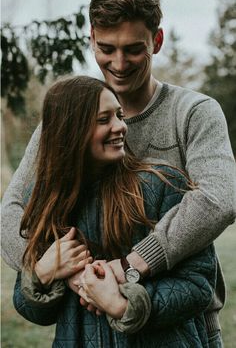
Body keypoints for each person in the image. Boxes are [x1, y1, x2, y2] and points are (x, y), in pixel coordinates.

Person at [1, 0, 236, 345]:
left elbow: (219, 198)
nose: (119, 62)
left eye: (133, 49)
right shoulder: (65, 121)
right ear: (91, 38)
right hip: (85, 326)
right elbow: (13, 210)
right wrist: (56, 269)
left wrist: (130, 268)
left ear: (156, 41)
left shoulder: (193, 113)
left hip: (177, 328)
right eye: (107, 48)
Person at [14, 75, 217, 347]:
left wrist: (124, 304)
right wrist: (41, 274)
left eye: (119, 115)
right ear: (70, 130)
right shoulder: (44, 202)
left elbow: (198, 285)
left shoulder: (162, 184)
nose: (120, 126)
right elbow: (33, 310)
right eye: (103, 120)